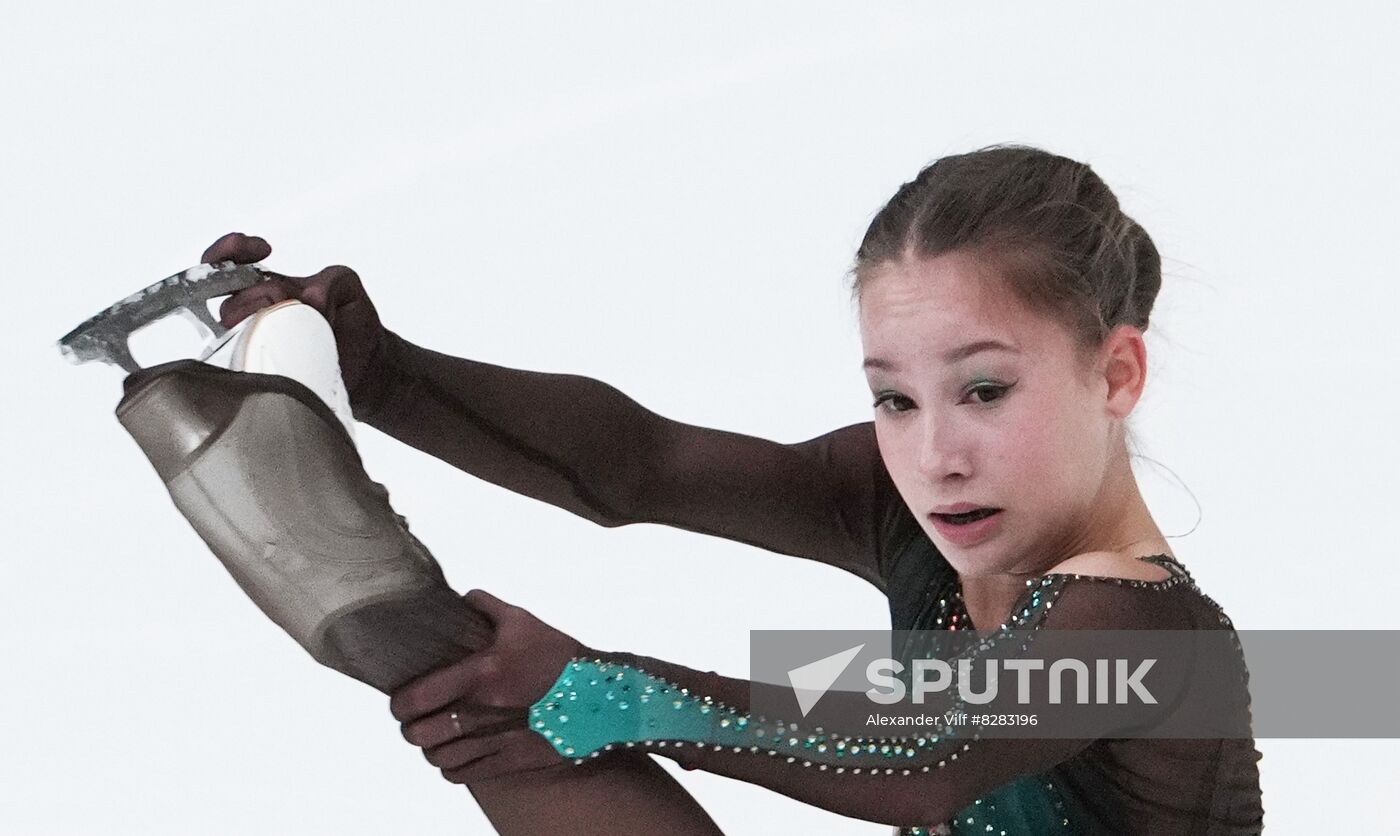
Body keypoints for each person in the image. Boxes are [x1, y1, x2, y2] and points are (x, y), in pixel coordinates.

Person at [208, 144, 1265, 834]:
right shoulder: (908, 506)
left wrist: (596, 687)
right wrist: (381, 369)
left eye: (984, 388)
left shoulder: (1146, 629)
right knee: (495, 699)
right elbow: (638, 466)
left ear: (1113, 373)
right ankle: (373, 578)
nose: (935, 451)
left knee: (559, 704)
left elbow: (926, 756)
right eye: (895, 399)